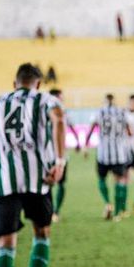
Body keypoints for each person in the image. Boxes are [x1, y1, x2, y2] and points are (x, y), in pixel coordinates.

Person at [0, 63, 66, 267]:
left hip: (4, 183)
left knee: (5, 246)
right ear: (38, 83)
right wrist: (60, 162)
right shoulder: (46, 99)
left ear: (14, 84)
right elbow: (59, 119)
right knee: (42, 234)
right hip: (38, 180)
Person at [84, 94, 131, 221]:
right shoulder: (122, 112)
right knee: (120, 181)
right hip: (119, 153)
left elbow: (90, 130)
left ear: (105, 101)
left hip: (103, 153)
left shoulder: (99, 112)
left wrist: (85, 146)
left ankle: (107, 203)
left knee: (101, 179)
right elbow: (130, 132)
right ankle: (117, 213)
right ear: (114, 101)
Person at [49, 89, 81, 223]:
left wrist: (78, 142)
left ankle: (55, 211)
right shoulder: (43, 112)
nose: (61, 100)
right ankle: (50, 211)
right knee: (47, 184)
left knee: (61, 183)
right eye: (59, 98)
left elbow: (72, 128)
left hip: (61, 154)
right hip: (47, 155)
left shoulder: (65, 113)